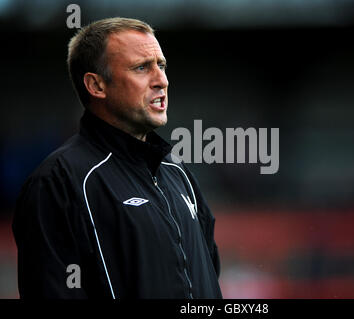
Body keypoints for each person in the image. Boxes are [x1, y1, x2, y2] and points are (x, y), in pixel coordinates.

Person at [12, 17, 222, 299]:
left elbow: (209, 275)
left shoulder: (178, 172)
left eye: (161, 65)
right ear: (97, 86)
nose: (162, 80)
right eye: (141, 68)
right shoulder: (58, 182)